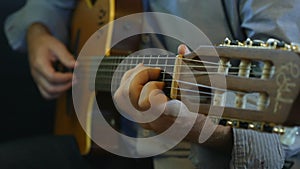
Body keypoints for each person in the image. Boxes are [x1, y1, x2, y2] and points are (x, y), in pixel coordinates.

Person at [4, 0, 300, 168]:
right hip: (95, 143)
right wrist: (37, 32)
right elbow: (47, 5)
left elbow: (285, 141)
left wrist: (199, 130)